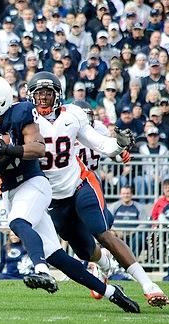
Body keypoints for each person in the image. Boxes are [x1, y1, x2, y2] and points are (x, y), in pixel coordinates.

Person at [0, 75, 139, 313]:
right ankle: (112, 293)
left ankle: (41, 271)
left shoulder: (21, 113)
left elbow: (38, 149)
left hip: (35, 182)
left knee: (18, 222)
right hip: (11, 189)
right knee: (56, 254)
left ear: (0, 102)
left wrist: (5, 149)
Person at [27, 71, 167, 308]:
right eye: (38, 93)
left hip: (80, 183)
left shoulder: (72, 115)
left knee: (102, 231)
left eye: (47, 93)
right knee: (84, 250)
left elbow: (96, 141)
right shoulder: (26, 120)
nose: (42, 98)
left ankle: (149, 285)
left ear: (57, 95)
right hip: (54, 199)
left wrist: (117, 147)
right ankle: (104, 264)